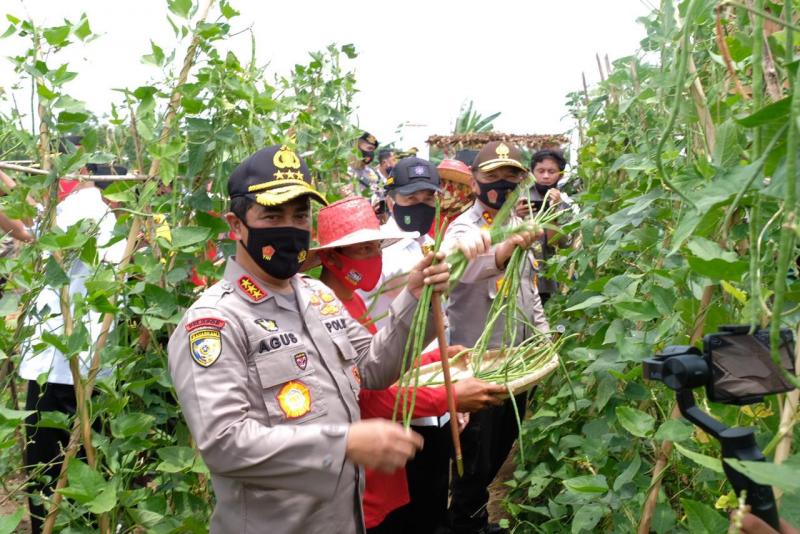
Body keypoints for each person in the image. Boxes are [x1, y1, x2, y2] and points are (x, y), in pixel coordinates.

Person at [166, 144, 451, 534]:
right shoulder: (217, 321)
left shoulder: (318, 297)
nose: (290, 227)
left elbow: (373, 368)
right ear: (236, 225)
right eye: (272, 215)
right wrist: (342, 444)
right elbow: (223, 444)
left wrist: (416, 298)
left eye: (300, 216)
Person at [311, 196, 506, 533]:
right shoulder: (324, 313)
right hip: (363, 472)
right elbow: (368, 393)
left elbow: (381, 362)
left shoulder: (349, 302)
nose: (375, 258)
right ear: (330, 257)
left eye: (376, 248)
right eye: (364, 251)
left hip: (383, 471)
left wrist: (437, 358)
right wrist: (450, 396)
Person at [443, 141, 548, 534]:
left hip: (517, 364)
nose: (502, 185)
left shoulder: (518, 227)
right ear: (474, 181)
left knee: (501, 446)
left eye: (511, 176)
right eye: (492, 176)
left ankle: (478, 519)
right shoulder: (464, 230)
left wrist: (543, 336)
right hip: (478, 365)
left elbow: (529, 289)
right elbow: (460, 269)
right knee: (474, 456)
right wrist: (503, 250)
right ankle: (464, 524)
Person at [20, 164, 127, 534]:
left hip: (62, 360)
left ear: (81, 169)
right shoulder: (104, 212)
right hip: (92, 358)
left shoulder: (82, 205)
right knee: (85, 462)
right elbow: (36, 221)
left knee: (47, 470)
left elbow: (36, 233)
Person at [515, 148, 577, 304]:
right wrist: (516, 216)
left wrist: (554, 209)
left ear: (560, 175)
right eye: (540, 171)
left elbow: (557, 243)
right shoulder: (520, 198)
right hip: (519, 275)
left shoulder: (566, 205)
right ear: (532, 173)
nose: (546, 176)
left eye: (551, 171)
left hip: (548, 281)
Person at [348, 131, 381, 196]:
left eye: (373, 150)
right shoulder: (343, 172)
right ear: (356, 148)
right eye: (369, 148)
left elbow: (382, 187)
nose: (371, 153)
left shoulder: (370, 171)